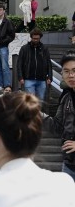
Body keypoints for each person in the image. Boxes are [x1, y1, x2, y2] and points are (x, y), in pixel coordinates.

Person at [44, 51, 75, 181]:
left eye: (74, 71)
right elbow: (57, 126)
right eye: (66, 71)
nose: (71, 75)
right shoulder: (66, 97)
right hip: (69, 164)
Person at [17, 27, 52, 101]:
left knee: (40, 100)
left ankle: (39, 109)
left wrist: (50, 77)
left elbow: (49, 63)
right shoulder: (24, 48)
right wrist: (20, 77)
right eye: (34, 38)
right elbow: (19, 63)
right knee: (30, 101)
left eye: (37, 38)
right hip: (28, 78)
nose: (35, 40)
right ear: (31, 37)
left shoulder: (44, 49)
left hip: (42, 79)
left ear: (40, 38)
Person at [0, 4, 15, 92]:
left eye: (1, 10)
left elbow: (12, 35)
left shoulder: (7, 22)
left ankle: (7, 85)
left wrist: (3, 41)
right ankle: (0, 85)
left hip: (3, 47)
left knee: (5, 67)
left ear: (4, 11)